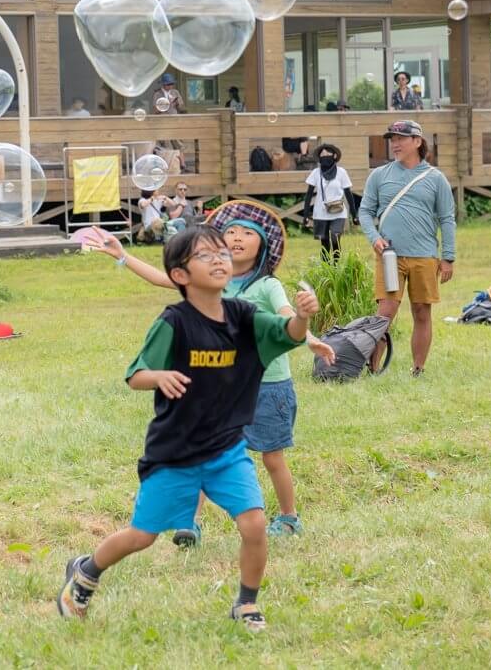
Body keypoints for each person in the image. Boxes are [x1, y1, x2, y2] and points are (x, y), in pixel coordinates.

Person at [56, 225, 318, 630]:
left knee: (253, 524)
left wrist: (301, 318)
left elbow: (288, 336)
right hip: (175, 454)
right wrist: (159, 377)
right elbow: (135, 374)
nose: (219, 259)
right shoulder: (173, 322)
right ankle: (86, 570)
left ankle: (246, 603)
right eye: (205, 255)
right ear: (180, 275)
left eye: (222, 254)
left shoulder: (245, 316)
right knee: (142, 536)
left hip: (227, 449)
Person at [90, 202, 335, 543]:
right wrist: (121, 255)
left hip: (268, 386)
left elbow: (286, 317)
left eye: (248, 234)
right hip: (221, 390)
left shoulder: (266, 286)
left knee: (272, 456)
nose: (236, 238)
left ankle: (289, 516)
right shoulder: (211, 282)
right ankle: (190, 522)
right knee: (207, 453)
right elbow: (163, 277)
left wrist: (309, 339)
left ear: (263, 246)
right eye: (230, 233)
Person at [358, 120, 456, 377]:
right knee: (384, 314)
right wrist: (374, 237)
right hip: (390, 257)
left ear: (417, 141)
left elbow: (447, 219)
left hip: (424, 256)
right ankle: (373, 368)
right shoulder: (379, 175)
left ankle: (418, 369)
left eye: (401, 138)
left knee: (422, 311)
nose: (395, 144)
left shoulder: (436, 179)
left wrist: (448, 257)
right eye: (392, 139)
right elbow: (365, 212)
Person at [302, 143, 354, 259]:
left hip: (338, 211)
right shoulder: (316, 173)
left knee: (335, 239)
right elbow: (309, 195)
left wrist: (354, 215)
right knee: (324, 243)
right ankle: (326, 271)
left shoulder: (341, 172)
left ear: (334, 156)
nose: (326, 156)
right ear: (319, 157)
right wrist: (305, 215)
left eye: (328, 154)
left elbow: (348, 194)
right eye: (323, 154)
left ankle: (336, 266)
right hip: (320, 213)